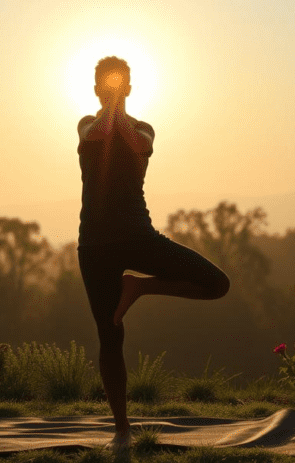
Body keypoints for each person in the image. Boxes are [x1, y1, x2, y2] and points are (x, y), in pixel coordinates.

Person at [76, 56, 230, 450]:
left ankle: (139, 288)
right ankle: (122, 429)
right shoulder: (85, 125)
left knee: (216, 284)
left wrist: (116, 105)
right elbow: (99, 136)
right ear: (94, 89)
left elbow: (133, 144)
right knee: (110, 334)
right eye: (105, 84)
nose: (111, 88)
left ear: (130, 88)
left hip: (140, 237)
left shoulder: (143, 129)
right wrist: (110, 104)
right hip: (95, 246)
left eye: (119, 83)